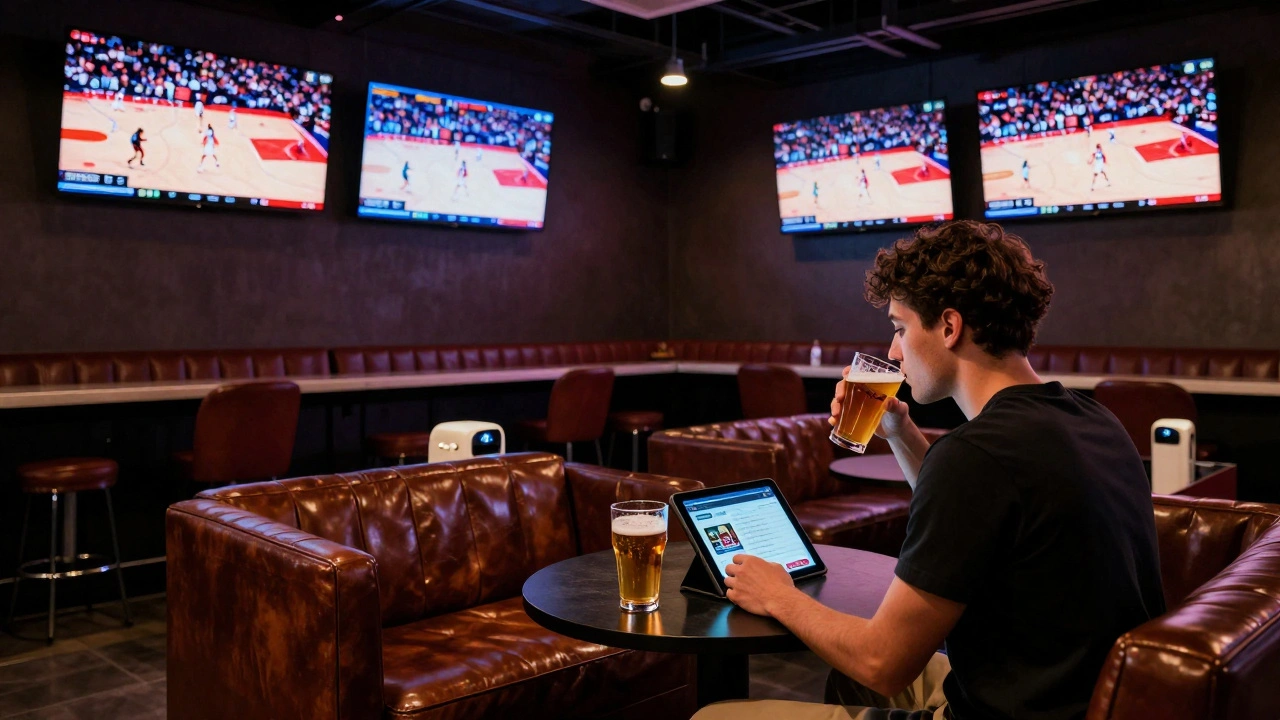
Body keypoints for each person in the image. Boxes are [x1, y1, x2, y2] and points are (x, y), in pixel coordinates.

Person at [693, 220, 1164, 720]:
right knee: (848, 678)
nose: (893, 351)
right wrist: (899, 430)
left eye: (899, 328)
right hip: (1081, 698)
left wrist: (779, 596)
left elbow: (883, 661)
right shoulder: (1092, 419)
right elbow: (979, 513)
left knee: (713, 717)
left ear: (949, 327)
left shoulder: (975, 457)